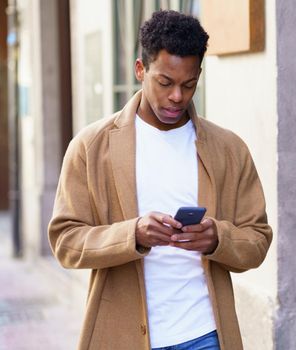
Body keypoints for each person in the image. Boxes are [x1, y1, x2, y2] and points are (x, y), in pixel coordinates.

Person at [48, 10, 272, 350]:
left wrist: (217, 238)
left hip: (205, 335)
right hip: (123, 334)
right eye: (165, 83)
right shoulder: (91, 147)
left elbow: (257, 239)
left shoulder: (228, 149)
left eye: (189, 84)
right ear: (141, 70)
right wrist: (132, 234)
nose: (177, 97)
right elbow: (65, 241)